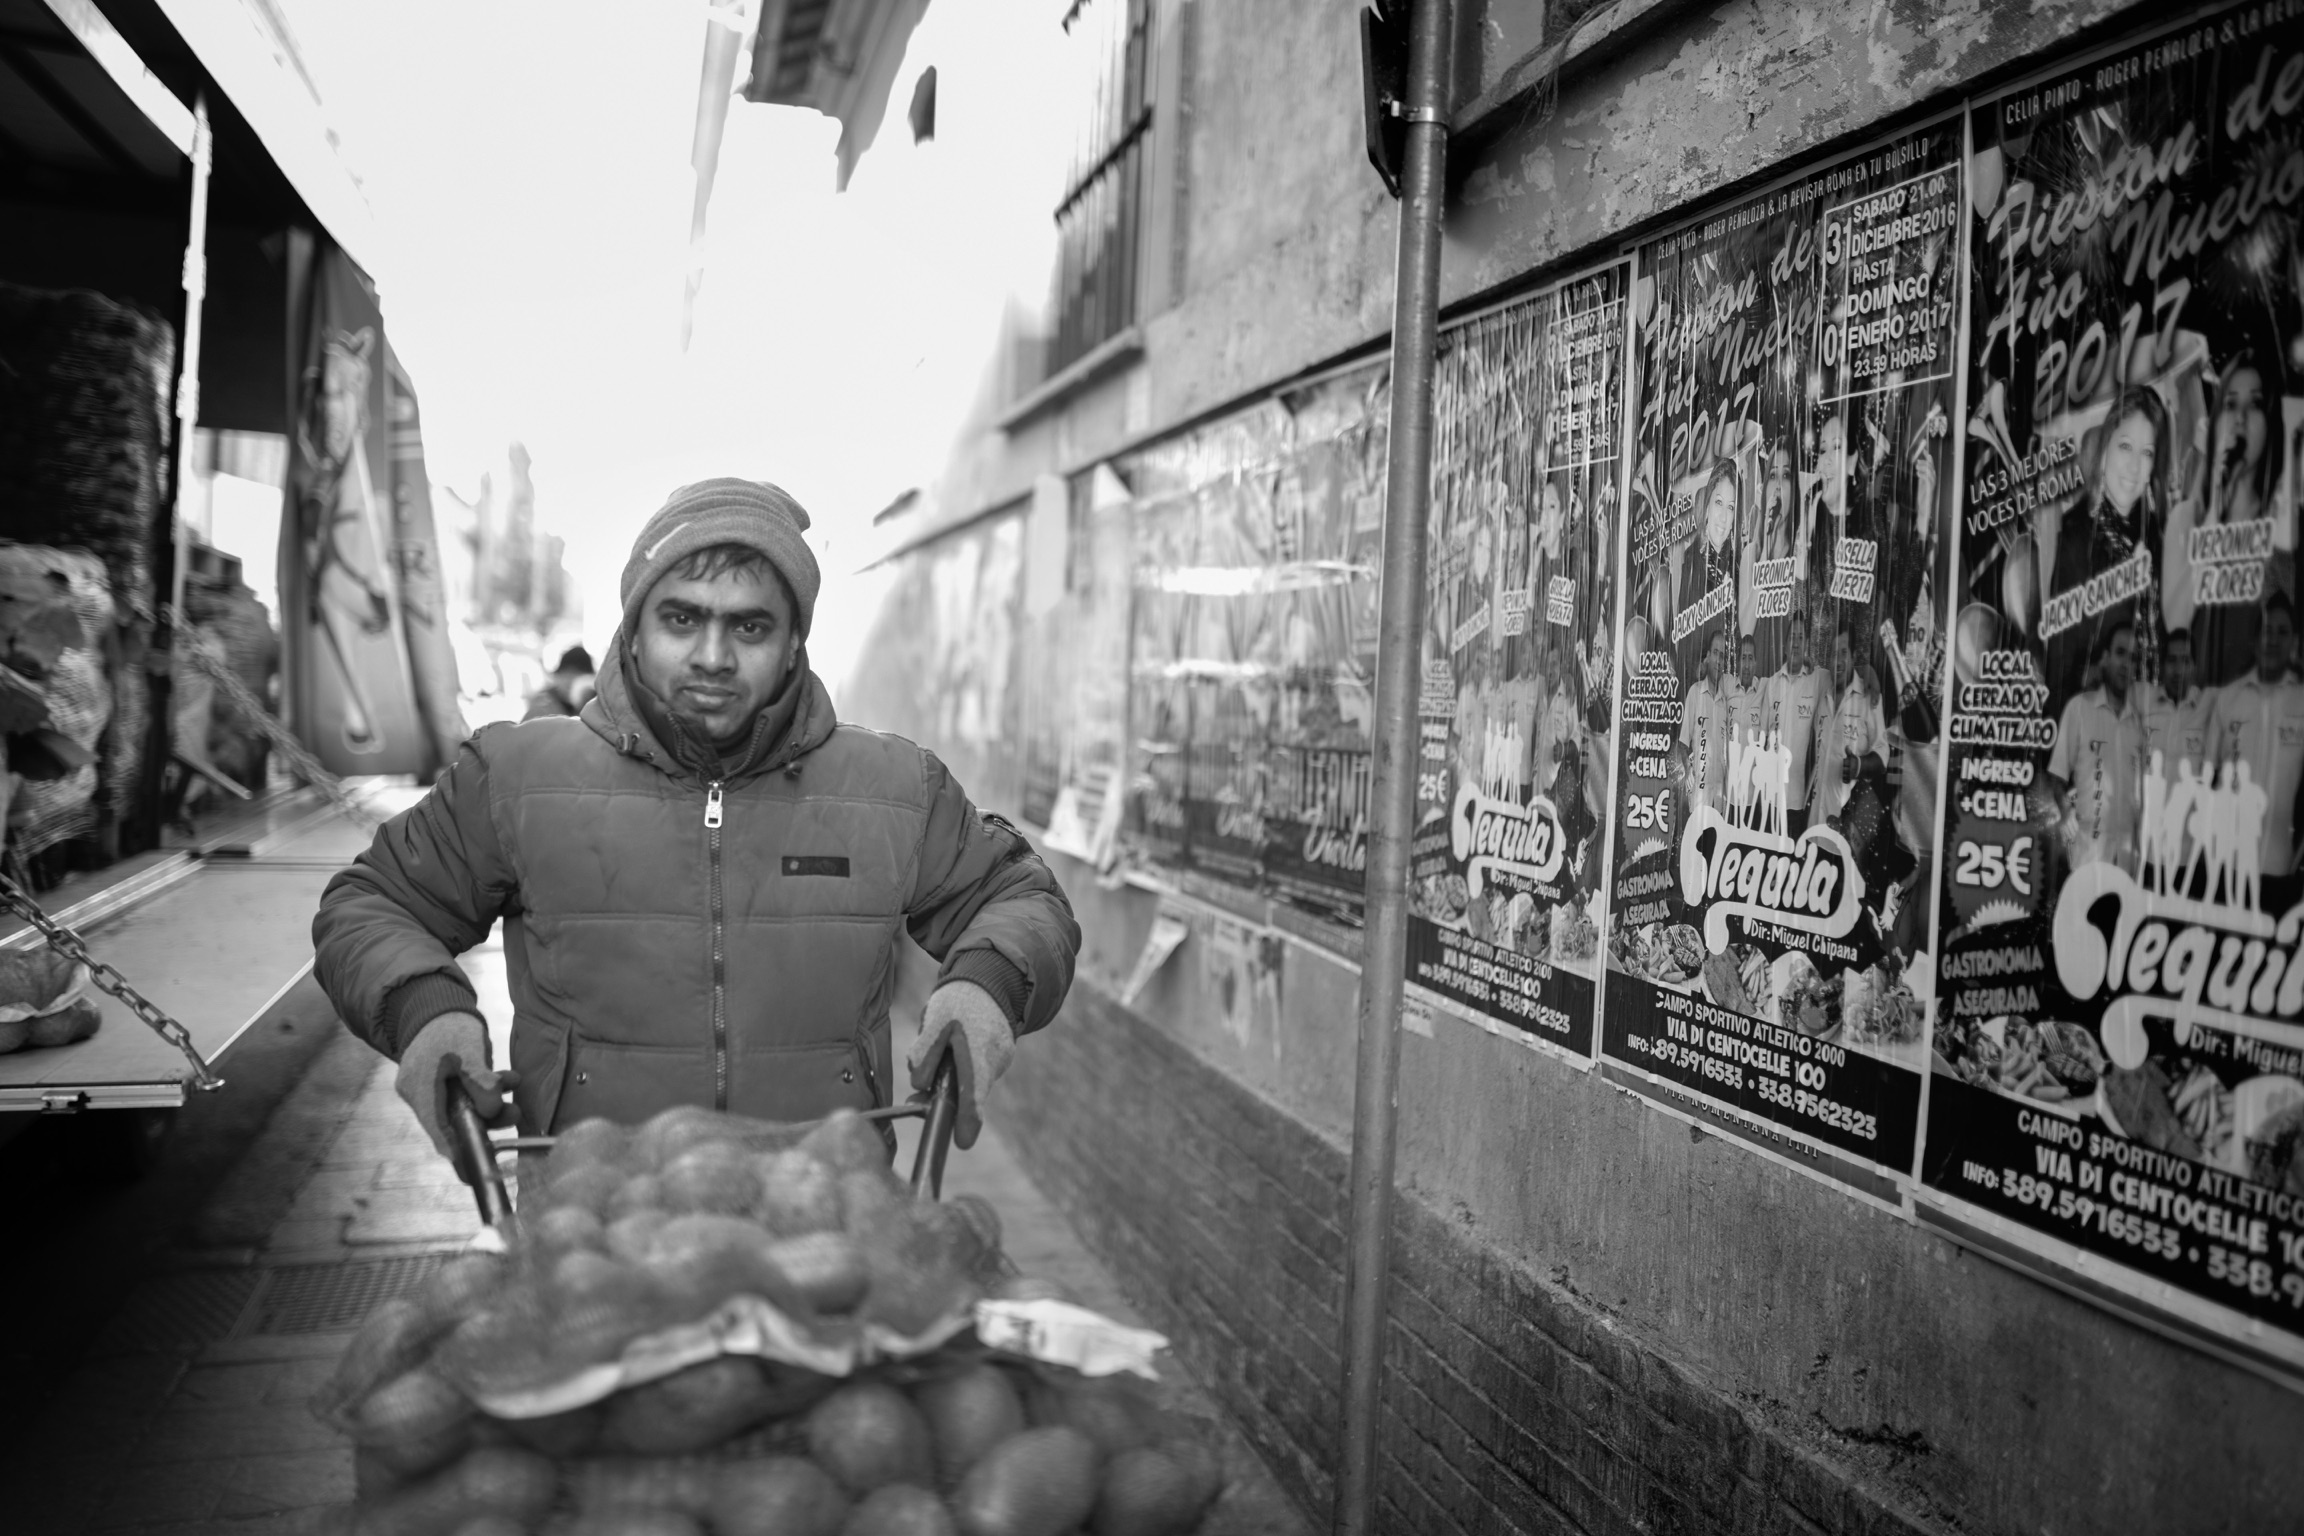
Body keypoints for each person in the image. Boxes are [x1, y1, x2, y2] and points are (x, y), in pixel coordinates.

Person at [311, 478, 1082, 1159]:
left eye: (750, 627)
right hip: (592, 1233)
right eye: (682, 619)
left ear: (791, 647)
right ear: (635, 632)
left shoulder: (893, 788)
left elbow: (1021, 898)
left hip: (827, 1222)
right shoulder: (514, 778)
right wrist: (426, 1012)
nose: (713, 655)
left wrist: (984, 986)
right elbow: (373, 904)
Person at [2044, 386, 2169, 703]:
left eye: (2147, 453)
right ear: (2105, 450)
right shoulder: (2078, 532)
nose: (2134, 467)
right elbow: (2063, 662)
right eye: (2126, 447)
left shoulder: (2153, 534)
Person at [2207, 591, 2304, 911]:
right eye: (2265, 629)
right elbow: (2207, 780)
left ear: (2295, 642)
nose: (2273, 639)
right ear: (2253, 640)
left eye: (2282, 631)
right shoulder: (2228, 700)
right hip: (2227, 867)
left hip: (2283, 870)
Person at [2048, 618, 2147, 874]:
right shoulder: (2079, 709)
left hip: (2129, 864)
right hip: (2087, 861)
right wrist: (2066, 812)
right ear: (2105, 658)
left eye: (2134, 657)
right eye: (2120, 653)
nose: (2127, 664)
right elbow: (2057, 777)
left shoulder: (2140, 723)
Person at [1768, 612, 1830, 837]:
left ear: (1806, 646)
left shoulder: (1817, 680)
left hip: (1798, 802)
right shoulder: (1772, 684)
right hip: (1769, 800)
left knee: (1792, 867)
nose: (1795, 642)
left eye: (1801, 637)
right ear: (1784, 645)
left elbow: (1847, 675)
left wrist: (1869, 674)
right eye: (1792, 636)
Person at [1678, 628, 1729, 815]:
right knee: (1697, 844)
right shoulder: (1695, 693)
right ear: (1707, 656)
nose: (1718, 660)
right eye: (1715, 653)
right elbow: (1683, 743)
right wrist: (1688, 768)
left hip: (1720, 799)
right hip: (1700, 797)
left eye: (1722, 656)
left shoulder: (1726, 701)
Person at [523, 644, 597, 721]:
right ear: (557, 676)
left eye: (577, 675)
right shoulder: (541, 708)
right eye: (567, 675)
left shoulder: (593, 710)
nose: (570, 682)